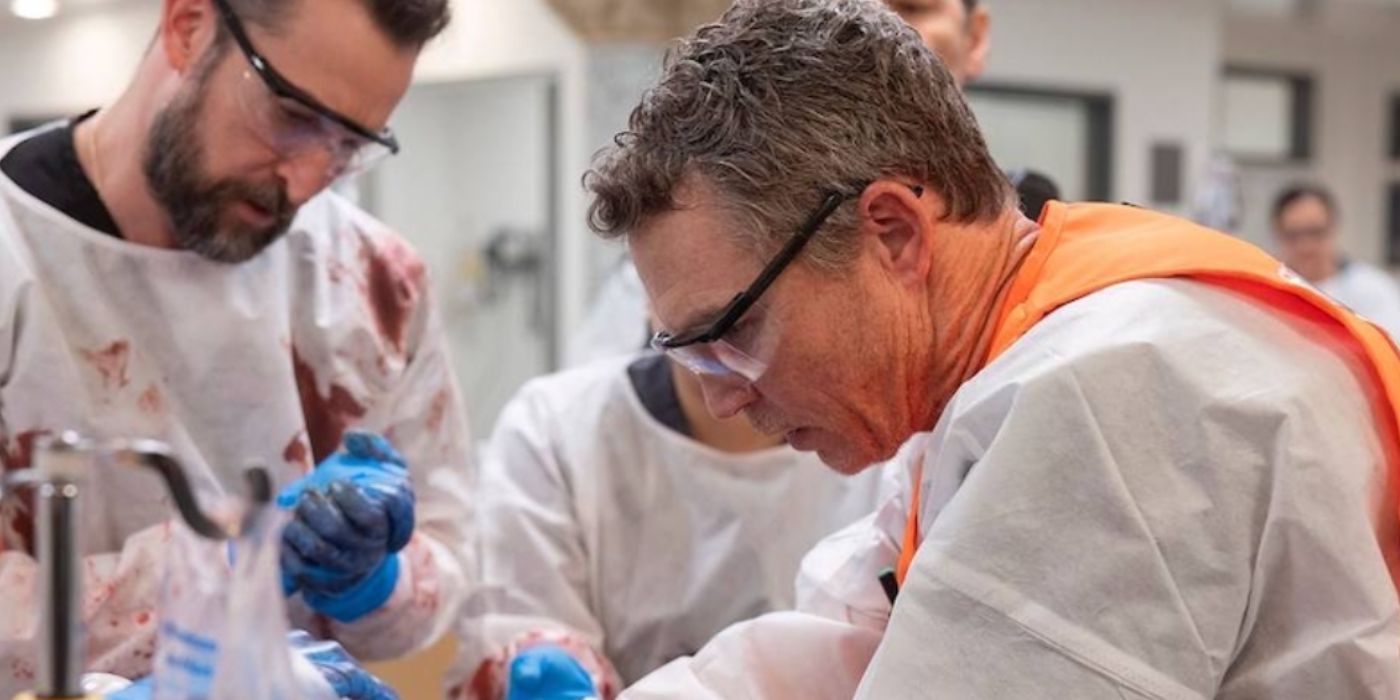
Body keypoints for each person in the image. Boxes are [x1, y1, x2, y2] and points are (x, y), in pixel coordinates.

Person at [583, 0, 1400, 696]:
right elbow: (843, 643)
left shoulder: (1103, 387)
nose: (722, 395)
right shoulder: (1022, 346)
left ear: (895, 233)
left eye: (733, 332)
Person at [0, 0, 473, 694]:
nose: (306, 182)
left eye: (349, 145)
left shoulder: (373, 283)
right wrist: (230, 565)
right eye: (290, 114)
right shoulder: (14, 254)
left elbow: (448, 564)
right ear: (188, 27)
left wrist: (375, 580)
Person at [450, 349, 890, 698]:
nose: (724, 381)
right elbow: (520, 629)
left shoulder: (889, 433)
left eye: (744, 319)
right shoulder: (558, 428)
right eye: (693, 324)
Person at [1273, 184, 1400, 339]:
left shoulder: (1374, 290)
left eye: (1315, 232)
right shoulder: (1270, 291)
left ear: (1333, 227)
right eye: (1293, 235)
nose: (1306, 246)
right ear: (1278, 234)